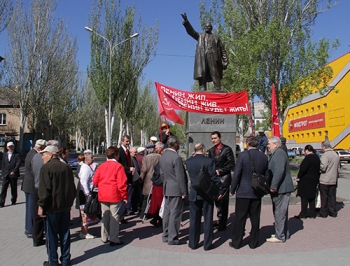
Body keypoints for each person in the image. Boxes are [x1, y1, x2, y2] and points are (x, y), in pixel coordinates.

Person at [37, 145, 76, 266]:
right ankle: (65, 260)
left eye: (44, 154)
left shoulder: (46, 168)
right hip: (64, 206)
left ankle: (53, 261)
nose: (42, 156)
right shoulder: (66, 167)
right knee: (65, 234)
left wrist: (41, 205)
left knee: (52, 236)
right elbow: (72, 188)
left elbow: (45, 189)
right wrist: (69, 202)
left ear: (51, 154)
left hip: (52, 207)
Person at [229, 136, 269, 249]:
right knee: (255, 218)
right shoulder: (263, 157)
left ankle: (236, 242)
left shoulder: (242, 155)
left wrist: (232, 189)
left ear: (247, 144)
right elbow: (267, 175)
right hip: (257, 192)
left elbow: (237, 174)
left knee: (240, 218)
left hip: (243, 191)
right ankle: (253, 243)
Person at [185, 143, 222, 251]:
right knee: (208, 219)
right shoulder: (209, 161)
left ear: (195, 150)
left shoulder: (188, 162)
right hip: (207, 194)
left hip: (194, 193)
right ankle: (207, 244)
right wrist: (220, 190)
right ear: (204, 149)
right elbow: (214, 177)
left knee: (194, 220)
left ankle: (193, 243)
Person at [181, 13, 228, 91]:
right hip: (203, 57)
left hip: (213, 56)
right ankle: (202, 88)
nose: (206, 27)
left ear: (211, 28)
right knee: (202, 72)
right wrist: (186, 22)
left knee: (214, 72)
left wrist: (225, 61)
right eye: (205, 26)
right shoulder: (200, 36)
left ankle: (218, 88)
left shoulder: (216, 38)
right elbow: (191, 32)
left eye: (208, 26)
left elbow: (222, 50)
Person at [93, 146, 128, 246]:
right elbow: (122, 183)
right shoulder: (118, 167)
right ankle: (114, 238)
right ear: (116, 155)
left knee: (105, 216)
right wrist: (124, 196)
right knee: (114, 217)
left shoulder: (101, 166)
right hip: (114, 194)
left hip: (103, 194)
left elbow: (95, 181)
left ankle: (104, 237)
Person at [160, 136, 188, 245]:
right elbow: (180, 176)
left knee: (167, 213)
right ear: (175, 144)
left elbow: (162, 174)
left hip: (167, 187)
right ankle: (173, 238)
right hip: (176, 189)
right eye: (179, 143)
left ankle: (166, 234)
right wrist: (184, 191)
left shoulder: (163, 156)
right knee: (175, 214)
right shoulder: (176, 158)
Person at [266, 136, 294, 243]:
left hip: (281, 189)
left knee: (279, 213)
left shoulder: (279, 153)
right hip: (280, 188)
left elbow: (279, 171)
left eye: (269, 144)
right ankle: (282, 233)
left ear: (276, 144)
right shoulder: (276, 153)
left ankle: (280, 236)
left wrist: (273, 186)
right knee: (280, 212)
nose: (268, 145)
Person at [208, 131, 235, 231]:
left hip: (223, 179)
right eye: (212, 138)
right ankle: (219, 220)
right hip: (214, 180)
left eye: (215, 138)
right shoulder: (211, 150)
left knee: (223, 202)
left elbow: (231, 164)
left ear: (220, 138)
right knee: (217, 202)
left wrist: (220, 171)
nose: (213, 140)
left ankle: (222, 223)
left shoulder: (227, 149)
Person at [21, 139, 47, 238]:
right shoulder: (34, 155)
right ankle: (31, 229)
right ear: (41, 147)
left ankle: (29, 228)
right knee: (32, 209)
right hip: (32, 186)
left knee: (30, 208)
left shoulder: (31, 153)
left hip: (29, 185)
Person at [139, 142, 163, 222]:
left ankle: (144, 214)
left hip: (148, 179)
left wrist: (141, 178)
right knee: (156, 198)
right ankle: (156, 214)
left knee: (146, 198)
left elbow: (144, 170)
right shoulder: (160, 156)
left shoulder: (146, 158)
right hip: (158, 180)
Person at [295, 145, 320, 219]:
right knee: (312, 197)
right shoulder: (316, 157)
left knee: (304, 197)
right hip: (314, 179)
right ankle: (312, 214)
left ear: (306, 150)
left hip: (306, 180)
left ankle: (303, 213)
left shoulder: (308, 158)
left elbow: (303, 169)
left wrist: (298, 176)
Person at [78, 151, 98, 239]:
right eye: (91, 157)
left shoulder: (87, 167)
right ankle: (84, 232)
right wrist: (87, 193)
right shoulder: (85, 168)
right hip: (85, 194)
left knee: (86, 213)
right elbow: (84, 182)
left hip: (87, 193)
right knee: (84, 214)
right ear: (86, 159)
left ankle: (84, 231)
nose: (93, 159)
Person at [318, 140, 340, 218]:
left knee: (324, 196)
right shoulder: (336, 154)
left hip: (325, 179)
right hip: (333, 179)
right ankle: (333, 212)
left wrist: (319, 170)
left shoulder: (325, 155)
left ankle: (323, 213)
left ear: (324, 147)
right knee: (332, 196)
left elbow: (323, 167)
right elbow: (338, 167)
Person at [118, 135, 135, 223]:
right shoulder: (120, 151)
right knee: (122, 197)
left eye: (129, 141)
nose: (128, 143)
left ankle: (122, 215)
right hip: (122, 176)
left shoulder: (127, 151)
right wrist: (129, 169)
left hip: (128, 176)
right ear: (122, 141)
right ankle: (120, 216)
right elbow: (119, 166)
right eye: (126, 141)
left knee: (126, 196)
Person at [0, 142, 21, 207]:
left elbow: (18, 163)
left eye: (12, 146)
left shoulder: (17, 154)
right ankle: (1, 202)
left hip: (13, 174)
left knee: (13, 188)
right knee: (4, 188)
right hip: (5, 174)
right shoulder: (5, 154)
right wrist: (3, 173)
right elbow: (3, 164)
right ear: (7, 147)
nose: (11, 148)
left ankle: (13, 200)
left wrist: (14, 170)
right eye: (9, 147)